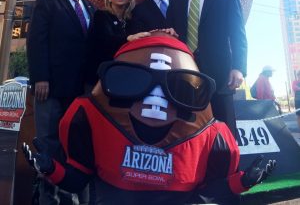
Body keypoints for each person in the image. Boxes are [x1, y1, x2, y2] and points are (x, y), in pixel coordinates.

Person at [23, 32, 275, 205]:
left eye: (177, 89)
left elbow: (208, 193)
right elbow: (78, 176)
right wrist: (50, 169)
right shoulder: (91, 119)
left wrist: (242, 181)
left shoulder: (210, 137)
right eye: (131, 81)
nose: (156, 102)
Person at [27, 0, 96, 204]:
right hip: (52, 89)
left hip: (80, 93)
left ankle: (78, 199)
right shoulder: (48, 3)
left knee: (76, 148)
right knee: (50, 145)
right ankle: (49, 199)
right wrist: (40, 77)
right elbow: (36, 42)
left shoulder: (90, 8)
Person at [167, 0, 247, 137]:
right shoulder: (176, 1)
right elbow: (171, 35)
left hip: (220, 76)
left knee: (224, 132)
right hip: (185, 75)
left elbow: (238, 34)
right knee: (187, 130)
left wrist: (238, 67)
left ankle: (228, 167)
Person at [85, 0, 151, 88]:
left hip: (123, 76)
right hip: (100, 77)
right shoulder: (101, 15)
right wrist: (129, 38)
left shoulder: (132, 20)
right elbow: (106, 39)